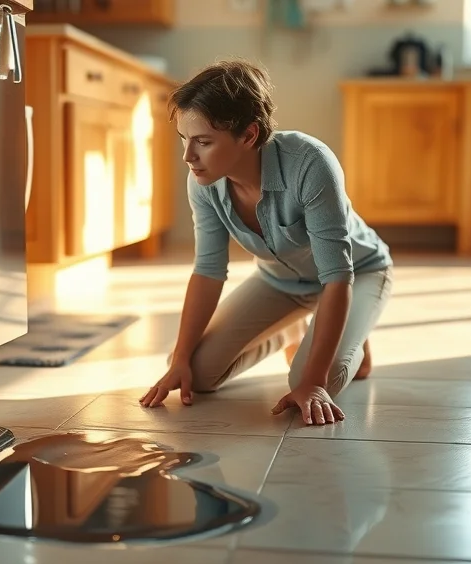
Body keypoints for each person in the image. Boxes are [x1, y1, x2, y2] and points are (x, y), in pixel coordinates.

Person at [138, 59, 394, 426]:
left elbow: (337, 277)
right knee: (197, 372)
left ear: (248, 135)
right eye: (184, 140)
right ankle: (293, 326)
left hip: (359, 273)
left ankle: (352, 330)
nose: (188, 156)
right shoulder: (203, 180)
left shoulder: (310, 163)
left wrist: (313, 382)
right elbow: (208, 271)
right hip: (281, 281)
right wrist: (179, 357)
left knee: (311, 381)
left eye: (203, 142)